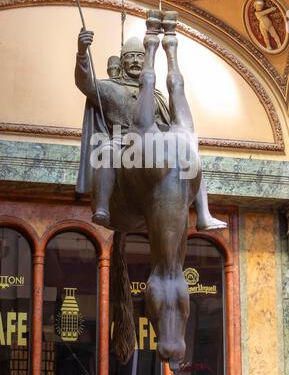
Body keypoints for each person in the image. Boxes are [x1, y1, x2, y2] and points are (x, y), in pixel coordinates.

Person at [75, 29, 226, 231]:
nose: (136, 61)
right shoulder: (109, 88)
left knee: (190, 156)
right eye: (130, 57)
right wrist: (82, 52)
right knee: (106, 152)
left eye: (140, 56)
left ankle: (204, 214)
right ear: (122, 63)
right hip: (122, 140)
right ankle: (103, 207)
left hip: (158, 140)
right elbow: (84, 83)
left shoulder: (156, 95)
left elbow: (170, 119)